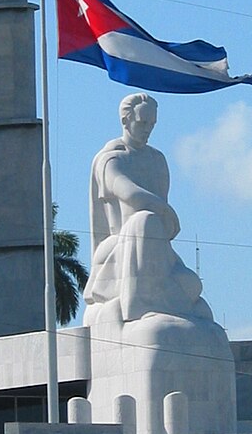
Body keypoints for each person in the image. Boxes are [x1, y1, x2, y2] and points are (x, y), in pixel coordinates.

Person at [83, 93, 212, 325]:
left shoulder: (157, 160)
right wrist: (164, 210)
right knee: (144, 220)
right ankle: (137, 305)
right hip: (118, 246)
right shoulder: (111, 158)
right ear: (126, 121)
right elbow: (128, 193)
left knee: (192, 285)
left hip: (156, 247)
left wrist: (162, 215)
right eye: (142, 123)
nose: (147, 129)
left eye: (152, 124)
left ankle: (159, 299)